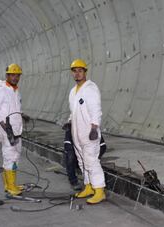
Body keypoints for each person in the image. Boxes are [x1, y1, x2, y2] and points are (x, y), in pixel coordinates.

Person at [0, 63, 30, 196]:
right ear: (7, 76)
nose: (15, 78)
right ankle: (11, 187)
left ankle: (10, 184)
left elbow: (13, 109)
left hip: (16, 129)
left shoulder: (16, 91)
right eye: (12, 75)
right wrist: (1, 124)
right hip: (6, 129)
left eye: (17, 75)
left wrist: (22, 115)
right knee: (9, 157)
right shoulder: (1, 91)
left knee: (15, 157)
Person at [68, 59, 106, 204]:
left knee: (91, 161)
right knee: (82, 161)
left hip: (89, 132)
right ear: (72, 73)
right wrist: (69, 120)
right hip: (77, 133)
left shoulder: (90, 88)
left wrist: (94, 127)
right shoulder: (73, 92)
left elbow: (96, 110)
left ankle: (99, 190)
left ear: (85, 72)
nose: (77, 74)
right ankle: (89, 186)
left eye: (80, 71)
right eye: (75, 71)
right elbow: (75, 111)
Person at [63, 123, 107, 191]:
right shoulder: (71, 130)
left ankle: (96, 186)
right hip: (74, 146)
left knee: (92, 163)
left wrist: (96, 158)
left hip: (88, 148)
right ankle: (74, 181)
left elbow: (103, 146)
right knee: (70, 158)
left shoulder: (93, 129)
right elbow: (68, 147)